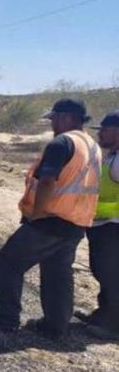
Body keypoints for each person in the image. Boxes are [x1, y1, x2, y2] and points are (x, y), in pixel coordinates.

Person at [0, 98, 101, 339]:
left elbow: (47, 181)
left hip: (50, 219)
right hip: (76, 223)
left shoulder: (62, 143)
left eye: (53, 118)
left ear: (66, 117)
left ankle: (6, 318)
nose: (52, 124)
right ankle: (56, 327)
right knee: (58, 273)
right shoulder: (92, 145)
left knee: (9, 261)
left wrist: (36, 213)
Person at [76, 110, 119, 340]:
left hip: (114, 227)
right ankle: (103, 314)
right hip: (102, 225)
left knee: (113, 276)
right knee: (104, 272)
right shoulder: (112, 156)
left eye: (105, 129)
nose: (100, 134)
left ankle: (113, 326)